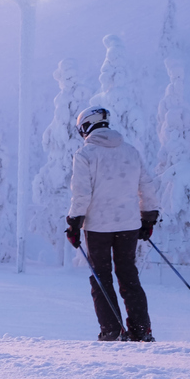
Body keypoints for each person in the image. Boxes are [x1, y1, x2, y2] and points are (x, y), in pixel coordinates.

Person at [65, 106, 160, 342]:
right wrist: (148, 218)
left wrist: (74, 223)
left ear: (86, 126)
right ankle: (141, 331)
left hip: (97, 227)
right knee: (128, 275)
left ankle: (113, 331)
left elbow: (81, 194)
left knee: (101, 277)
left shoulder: (85, 155)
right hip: (128, 225)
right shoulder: (131, 152)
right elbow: (147, 186)